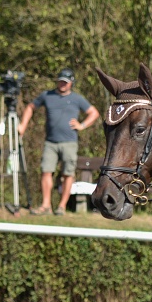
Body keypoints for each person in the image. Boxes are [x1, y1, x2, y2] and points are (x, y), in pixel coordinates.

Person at [18, 68, 100, 216]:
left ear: (71, 83)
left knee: (68, 174)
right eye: (61, 81)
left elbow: (94, 113)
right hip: (50, 142)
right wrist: (23, 125)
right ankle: (46, 206)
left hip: (69, 142)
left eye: (66, 82)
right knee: (46, 171)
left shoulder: (77, 99)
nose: (62, 84)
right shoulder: (47, 95)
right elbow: (30, 107)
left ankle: (61, 206)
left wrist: (82, 125)